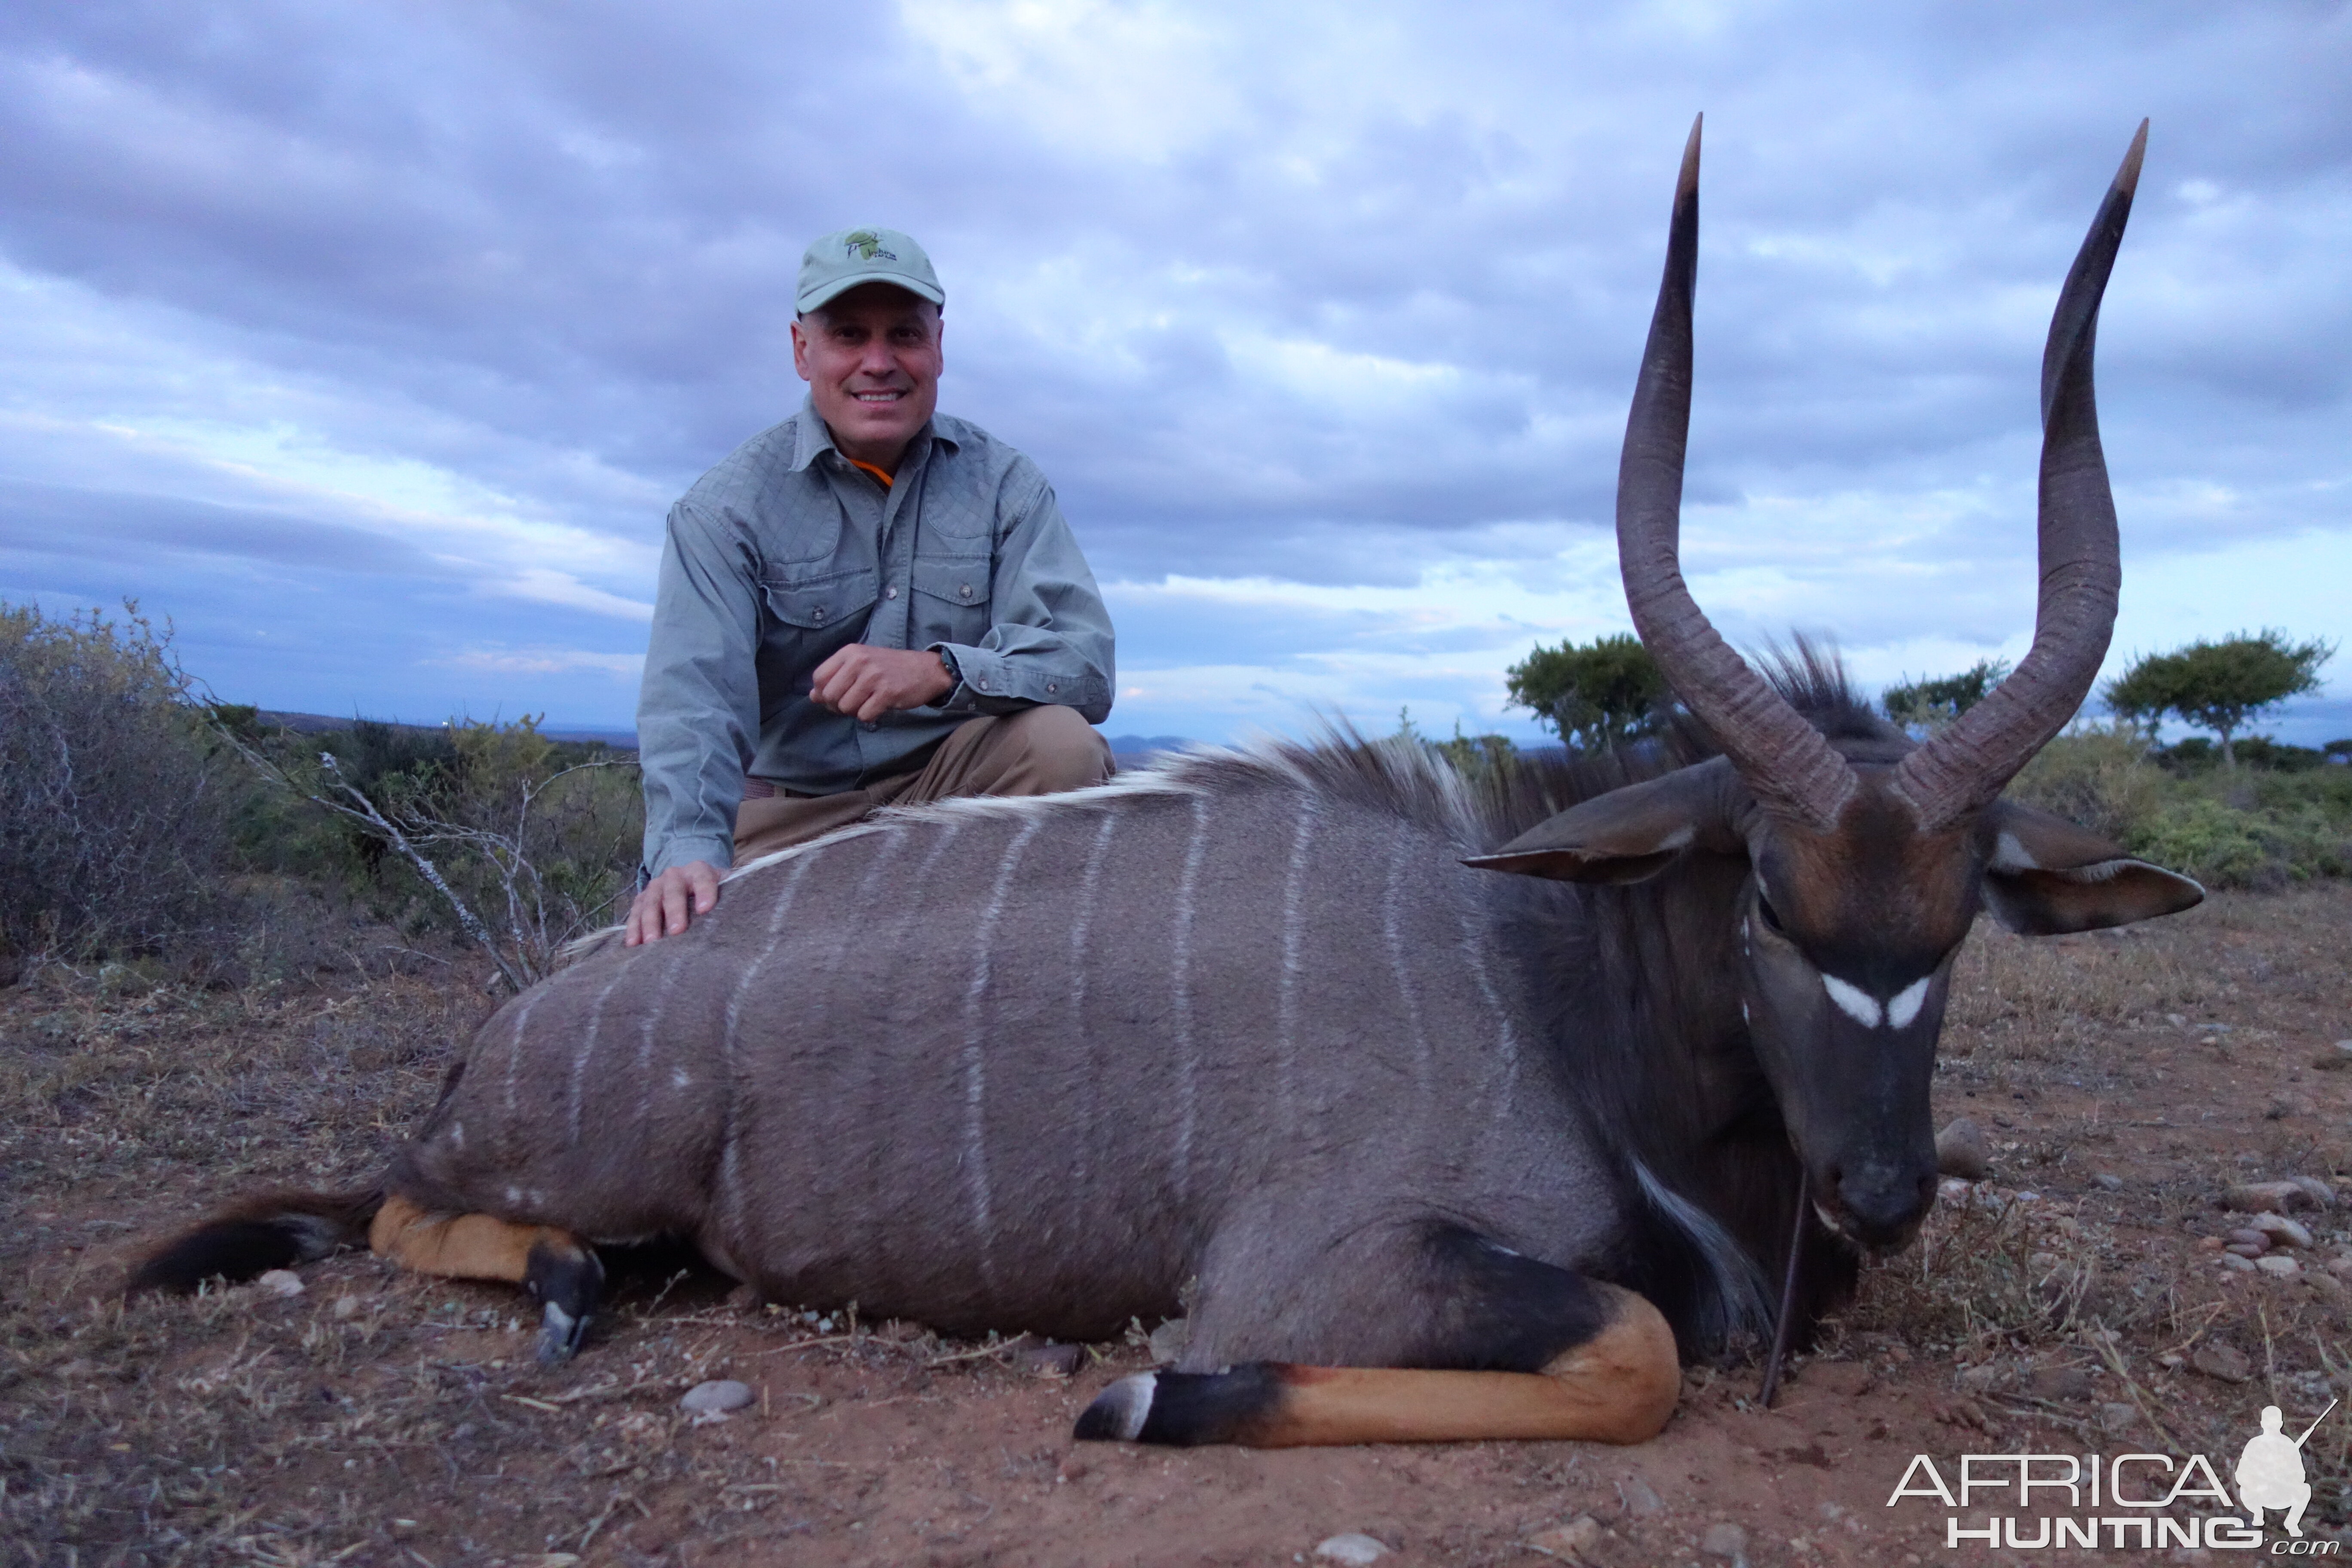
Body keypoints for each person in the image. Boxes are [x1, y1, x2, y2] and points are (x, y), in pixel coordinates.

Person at [625, 226, 1115, 945]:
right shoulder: (722, 510)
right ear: (802, 350)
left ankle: (1026, 973)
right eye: (850, 335)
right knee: (692, 928)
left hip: (956, 786)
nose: (879, 363)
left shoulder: (1006, 485)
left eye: (905, 336)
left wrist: (938, 671)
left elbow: (1084, 668)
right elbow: (693, 699)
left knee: (1062, 748)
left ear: (939, 346)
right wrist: (687, 849)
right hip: (799, 806)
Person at [2235, 1404, 2313, 1537]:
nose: (2272, 1426)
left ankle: (2292, 1523)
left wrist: (2285, 1475)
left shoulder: (2288, 1445)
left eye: (2275, 1423)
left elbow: (2301, 1475)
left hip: (2281, 1493)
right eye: (2268, 1423)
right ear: (2263, 1424)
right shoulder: (2254, 1444)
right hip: (2259, 1493)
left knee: (2305, 1489)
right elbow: (2241, 1474)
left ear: (2281, 1424)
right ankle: (2258, 1514)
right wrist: (2259, 1478)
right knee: (2244, 1490)